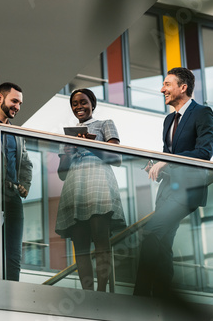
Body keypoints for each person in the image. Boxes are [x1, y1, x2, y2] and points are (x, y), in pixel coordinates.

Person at [133, 67, 213, 297]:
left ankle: (139, 297)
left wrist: (167, 162)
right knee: (163, 243)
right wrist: (156, 167)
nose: (162, 89)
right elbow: (167, 155)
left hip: (188, 190)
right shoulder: (169, 119)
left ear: (183, 87)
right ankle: (163, 298)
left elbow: (204, 152)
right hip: (167, 190)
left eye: (167, 84)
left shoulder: (202, 113)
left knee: (151, 233)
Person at [55, 88, 126, 291]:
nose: (79, 107)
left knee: (100, 237)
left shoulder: (105, 124)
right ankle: (87, 293)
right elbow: (61, 173)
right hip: (75, 185)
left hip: (98, 180)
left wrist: (89, 144)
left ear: (92, 104)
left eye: (83, 102)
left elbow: (116, 158)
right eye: (75, 104)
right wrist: (68, 153)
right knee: (80, 245)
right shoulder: (68, 134)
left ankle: (102, 291)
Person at [0, 82, 33, 281]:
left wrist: (25, 183)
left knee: (14, 253)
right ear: (0, 98)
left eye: (20, 103)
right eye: (14, 101)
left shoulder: (16, 133)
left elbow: (26, 163)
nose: (17, 106)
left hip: (13, 195)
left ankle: (10, 296)